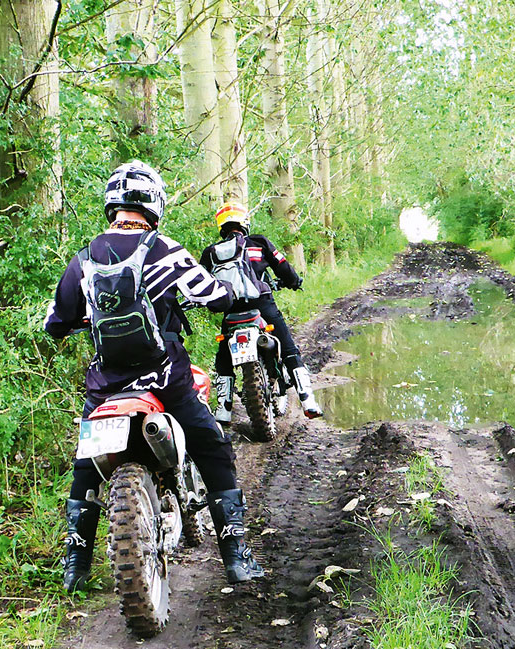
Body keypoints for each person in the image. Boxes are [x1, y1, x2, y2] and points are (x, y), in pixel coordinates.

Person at [44, 161, 264, 590]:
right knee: (212, 446)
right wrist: (236, 293)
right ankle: (236, 556)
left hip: (106, 387)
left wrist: (82, 321)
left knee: (86, 467)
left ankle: (76, 566)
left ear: (112, 205)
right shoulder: (164, 248)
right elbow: (216, 295)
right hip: (164, 380)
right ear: (154, 203)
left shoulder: (84, 257)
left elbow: (56, 321)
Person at [199, 202, 323, 421]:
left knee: (224, 357)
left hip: (231, 310)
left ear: (222, 226)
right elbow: (283, 267)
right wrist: (293, 281)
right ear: (244, 222)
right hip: (262, 305)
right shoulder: (259, 243)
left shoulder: (211, 253)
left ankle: (224, 409)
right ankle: (308, 400)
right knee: (288, 348)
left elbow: (201, 284)